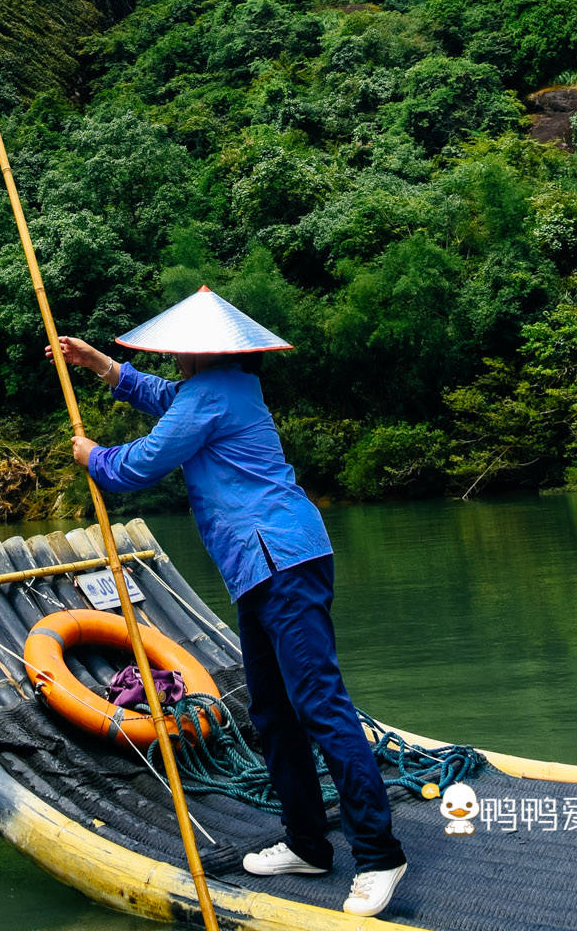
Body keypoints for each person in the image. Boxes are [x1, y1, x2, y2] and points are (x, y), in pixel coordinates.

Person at [50, 284, 407, 921]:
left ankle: (379, 855)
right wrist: (105, 370)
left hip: (281, 560)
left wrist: (93, 457)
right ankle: (307, 844)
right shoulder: (221, 388)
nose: (175, 359)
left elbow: (138, 465)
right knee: (273, 711)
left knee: (319, 706)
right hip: (262, 566)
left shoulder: (213, 393)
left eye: (178, 350)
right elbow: (169, 399)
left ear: (197, 351)